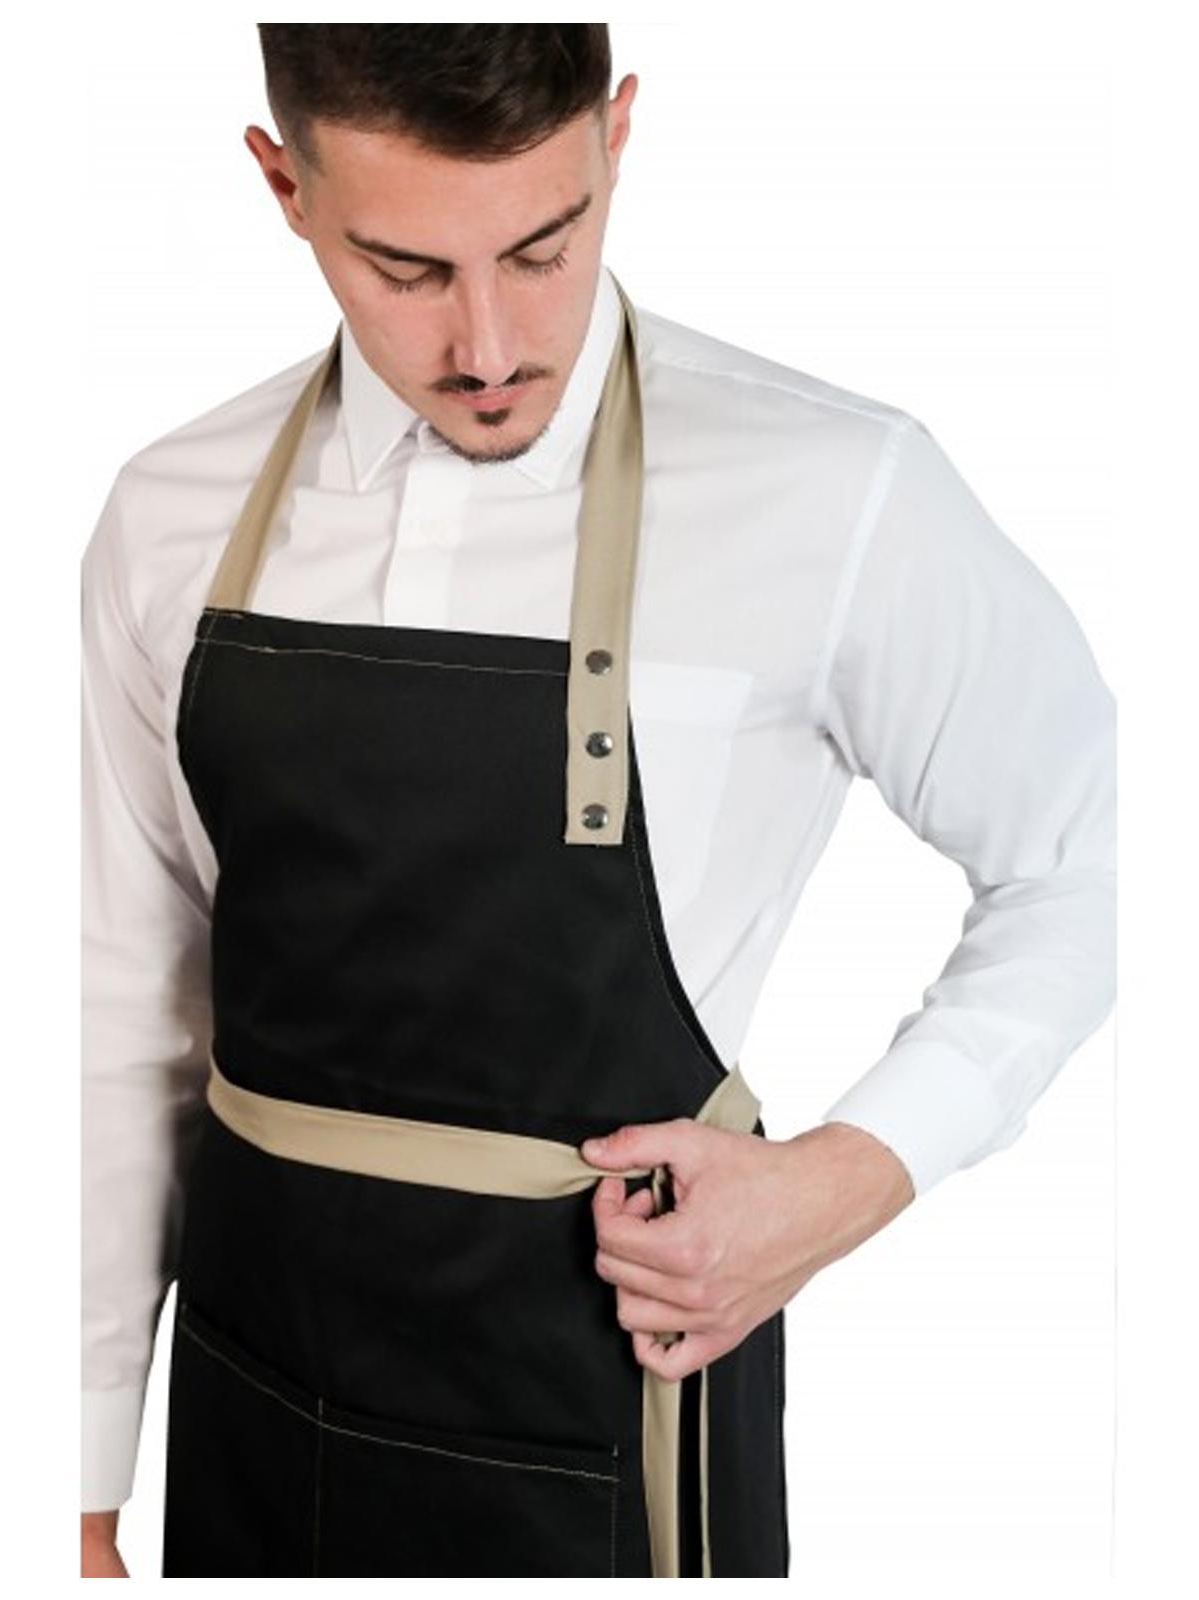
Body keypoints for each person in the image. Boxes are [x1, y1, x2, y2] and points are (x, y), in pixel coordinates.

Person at [80, 23, 1116, 1580]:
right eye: (406, 269)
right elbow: (112, 1012)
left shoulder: (834, 490)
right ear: (285, 188)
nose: (490, 344)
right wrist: (74, 1480)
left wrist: (848, 1179)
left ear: (615, 136)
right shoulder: (172, 512)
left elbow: (1101, 855)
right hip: (247, 1405)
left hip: (605, 1421)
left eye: (544, 246)